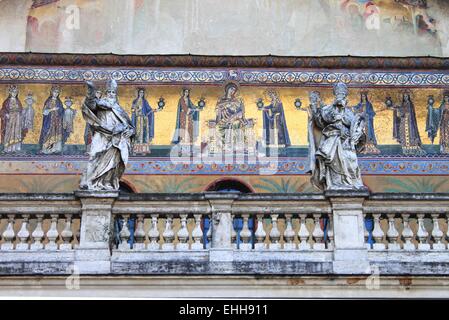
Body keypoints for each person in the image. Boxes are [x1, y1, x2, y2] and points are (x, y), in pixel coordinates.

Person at [309, 82, 367, 191]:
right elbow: (322, 119)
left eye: (343, 95)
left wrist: (344, 118)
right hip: (333, 137)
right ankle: (335, 183)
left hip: (346, 141)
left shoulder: (349, 112)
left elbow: (354, 123)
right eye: (338, 95)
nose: (340, 97)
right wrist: (318, 107)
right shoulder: (329, 109)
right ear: (335, 96)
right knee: (332, 160)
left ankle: (351, 182)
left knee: (350, 161)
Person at [80, 80, 134, 191]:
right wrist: (91, 93)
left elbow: (129, 125)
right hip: (102, 134)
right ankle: (91, 182)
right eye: (108, 92)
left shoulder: (119, 109)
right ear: (106, 93)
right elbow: (90, 105)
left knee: (113, 163)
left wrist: (130, 131)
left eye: (113, 92)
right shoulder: (100, 104)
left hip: (116, 139)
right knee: (95, 156)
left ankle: (106, 183)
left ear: (115, 94)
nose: (111, 94)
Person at [215, 82, 247, 149]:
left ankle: (237, 145)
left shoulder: (236, 100)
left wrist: (240, 115)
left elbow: (240, 111)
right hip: (224, 120)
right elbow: (218, 110)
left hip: (235, 119)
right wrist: (228, 103)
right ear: (227, 89)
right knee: (223, 125)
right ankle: (226, 144)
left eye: (234, 90)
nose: (232, 91)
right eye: (231, 89)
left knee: (237, 122)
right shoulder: (221, 100)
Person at [392, 91, 426, 156]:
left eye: (406, 96)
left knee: (411, 134)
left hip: (409, 122)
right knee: (403, 134)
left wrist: (399, 110)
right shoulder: (402, 104)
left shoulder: (410, 104)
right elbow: (400, 113)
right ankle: (406, 150)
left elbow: (408, 112)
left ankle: (413, 149)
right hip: (403, 121)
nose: (405, 97)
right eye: (404, 96)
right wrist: (396, 109)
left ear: (409, 97)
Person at [39, 85, 68, 154]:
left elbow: (61, 111)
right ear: (52, 92)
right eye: (55, 92)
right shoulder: (48, 101)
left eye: (57, 92)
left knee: (56, 134)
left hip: (57, 122)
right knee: (48, 133)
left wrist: (65, 110)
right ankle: (47, 149)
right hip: (49, 121)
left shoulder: (59, 102)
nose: (56, 94)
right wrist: (52, 109)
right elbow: (44, 111)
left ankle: (55, 148)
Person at [0, 85, 26, 153]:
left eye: (16, 92)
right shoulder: (7, 101)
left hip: (17, 119)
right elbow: (2, 110)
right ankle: (8, 148)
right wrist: (6, 114)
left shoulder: (18, 101)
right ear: (10, 92)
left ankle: (16, 147)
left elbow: (21, 109)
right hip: (10, 120)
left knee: (17, 132)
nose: (14, 93)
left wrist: (22, 112)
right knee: (9, 132)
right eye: (13, 92)